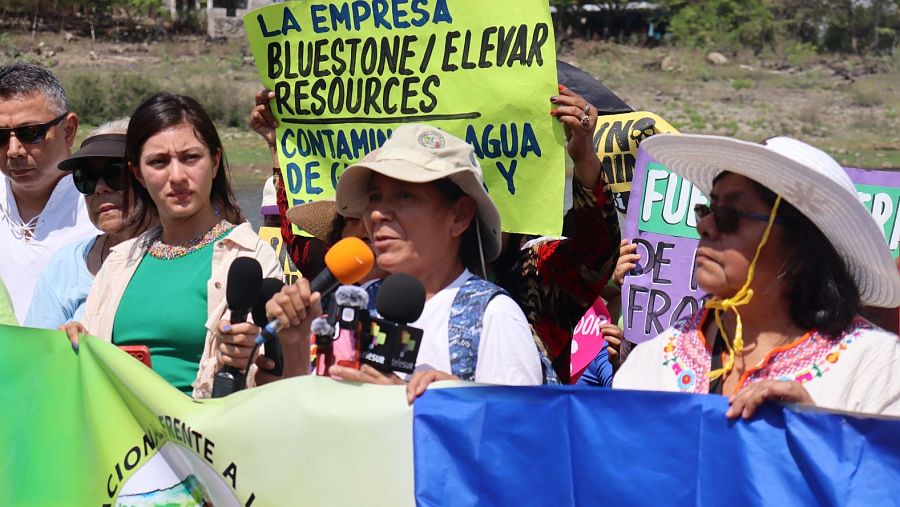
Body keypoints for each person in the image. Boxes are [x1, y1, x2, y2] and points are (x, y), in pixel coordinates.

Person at [614, 134, 900, 418]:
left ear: (801, 248)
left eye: (730, 215)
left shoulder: (875, 369)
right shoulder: (652, 364)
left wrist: (813, 430)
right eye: (707, 210)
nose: (705, 226)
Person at [64, 93, 280, 397]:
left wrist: (249, 357)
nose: (177, 176)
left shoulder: (250, 256)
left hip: (206, 424)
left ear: (215, 162)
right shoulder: (119, 262)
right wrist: (75, 343)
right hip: (117, 423)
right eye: (159, 162)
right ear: (137, 174)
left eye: (190, 158)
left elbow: (271, 376)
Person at [325, 123, 544, 394]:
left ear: (460, 216)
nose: (378, 214)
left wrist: (428, 403)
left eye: (405, 195)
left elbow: (519, 419)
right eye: (374, 197)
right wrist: (292, 343)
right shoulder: (357, 306)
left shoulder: (493, 316)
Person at [25, 120, 155, 328]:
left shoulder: (182, 253)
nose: (100, 188)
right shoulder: (67, 263)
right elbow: (37, 344)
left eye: (116, 174)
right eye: (86, 178)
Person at [0, 62, 97, 322]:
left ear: (69, 130)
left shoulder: (103, 206)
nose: (14, 150)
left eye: (31, 133)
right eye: (1, 137)